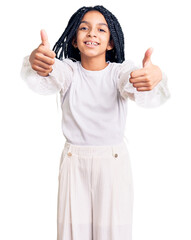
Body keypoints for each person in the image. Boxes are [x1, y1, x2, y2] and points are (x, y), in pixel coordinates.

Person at [20, 5, 170, 240]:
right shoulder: (69, 71)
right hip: (74, 163)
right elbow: (50, 70)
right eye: (83, 28)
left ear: (110, 43)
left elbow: (132, 81)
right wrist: (37, 60)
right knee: (71, 232)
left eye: (101, 29)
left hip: (112, 165)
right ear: (74, 41)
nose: (91, 33)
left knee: (113, 233)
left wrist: (153, 76)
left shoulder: (120, 72)